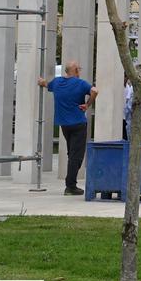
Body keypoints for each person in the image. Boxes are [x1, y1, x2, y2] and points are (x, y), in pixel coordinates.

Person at [37, 61, 98, 196]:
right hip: (78, 123)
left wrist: (41, 81)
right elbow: (95, 91)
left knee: (72, 154)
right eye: (79, 69)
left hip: (64, 125)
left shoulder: (57, 83)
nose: (80, 71)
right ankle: (70, 186)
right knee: (77, 156)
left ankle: (70, 184)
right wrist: (87, 104)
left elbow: (47, 84)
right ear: (75, 71)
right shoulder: (80, 83)